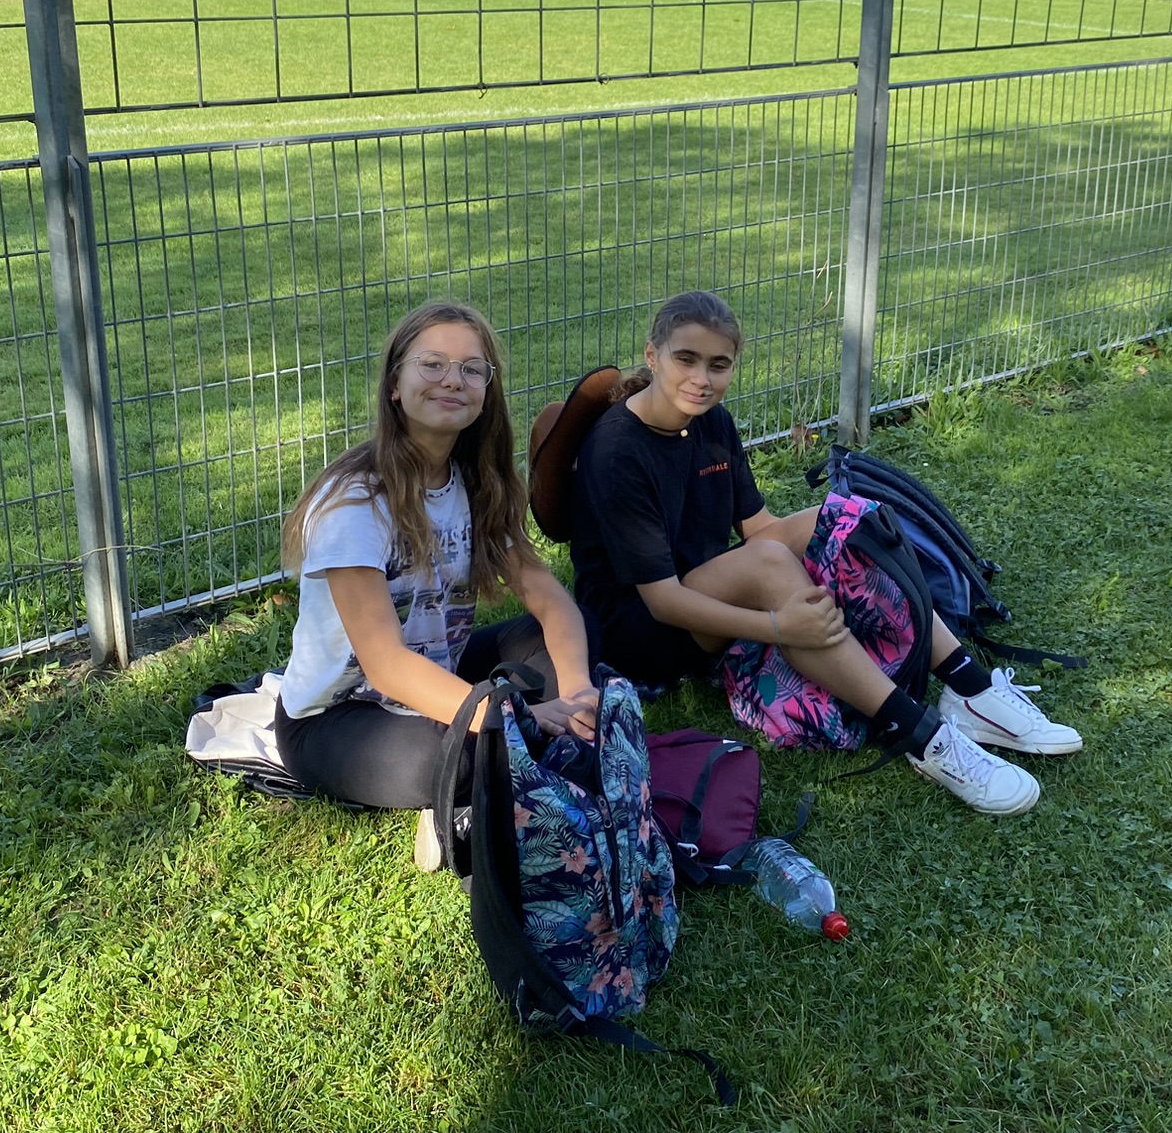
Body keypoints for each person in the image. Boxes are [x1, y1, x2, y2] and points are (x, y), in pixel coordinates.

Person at [569, 291, 1082, 816]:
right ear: (652, 355)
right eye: (686, 359)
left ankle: (968, 686)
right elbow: (663, 601)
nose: (702, 378)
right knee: (770, 565)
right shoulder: (617, 450)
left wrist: (832, 541)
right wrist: (778, 626)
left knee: (841, 515)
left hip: (701, 584)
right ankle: (920, 735)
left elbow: (759, 526)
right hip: (639, 630)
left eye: (718, 365)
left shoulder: (711, 421)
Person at [275, 301, 599, 870]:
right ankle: (464, 792)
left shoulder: (478, 485)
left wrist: (576, 695)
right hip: (337, 719)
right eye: (432, 364)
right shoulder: (355, 502)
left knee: (565, 638)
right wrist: (509, 714)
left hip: (439, 678)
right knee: (467, 750)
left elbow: (552, 602)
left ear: (486, 393)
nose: (453, 380)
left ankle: (494, 762)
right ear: (394, 385)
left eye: (472, 369)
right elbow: (385, 667)